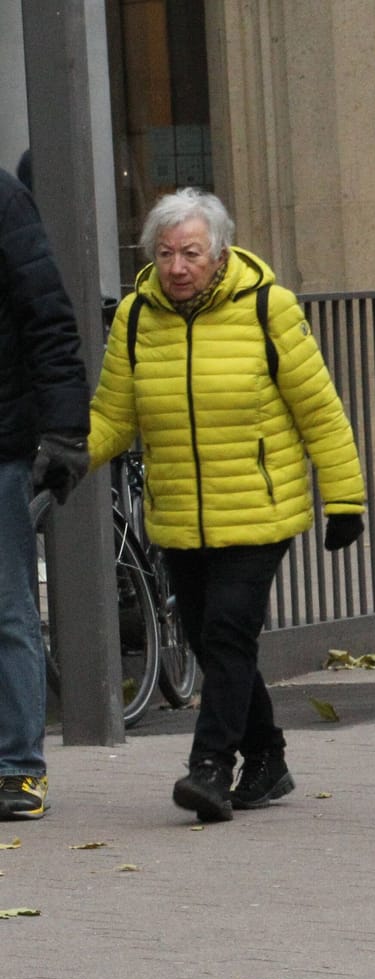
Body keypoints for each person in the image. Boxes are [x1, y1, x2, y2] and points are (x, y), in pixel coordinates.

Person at [87, 189, 366, 823]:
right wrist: (71, 456)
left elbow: (319, 410)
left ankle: (210, 767)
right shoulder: (135, 318)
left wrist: (345, 498)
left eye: (191, 253)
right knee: (215, 643)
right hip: (180, 511)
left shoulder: (269, 308)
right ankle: (269, 757)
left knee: (227, 630)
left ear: (219, 254)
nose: (177, 267)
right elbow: (113, 415)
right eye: (165, 254)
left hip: (260, 509)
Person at [0, 166, 89, 819]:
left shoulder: (3, 198)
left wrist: (63, 430)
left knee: (7, 610)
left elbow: (48, 315)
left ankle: (17, 767)